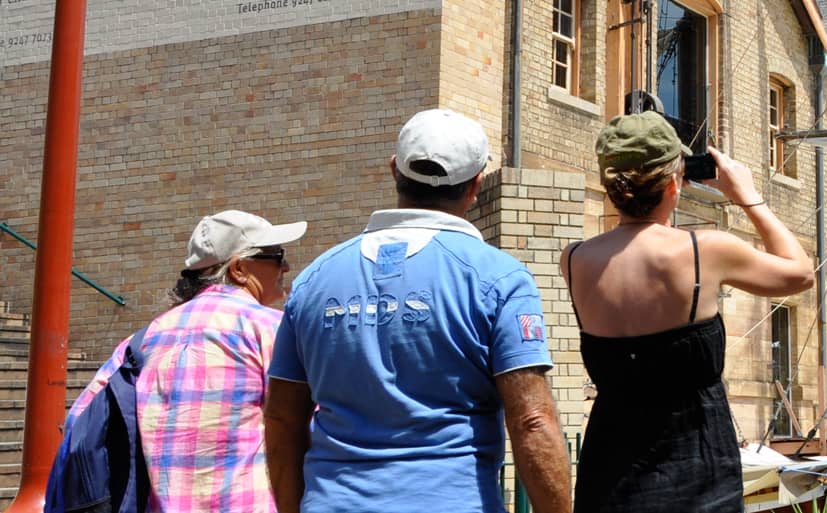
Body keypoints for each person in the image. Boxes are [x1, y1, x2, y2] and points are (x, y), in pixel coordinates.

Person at [264, 109, 571, 513]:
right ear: (476, 184)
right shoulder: (498, 278)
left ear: (395, 170)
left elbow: (283, 418)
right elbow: (532, 421)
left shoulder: (314, 280)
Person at [562, 112, 814, 512]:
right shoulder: (706, 250)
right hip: (699, 472)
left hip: (608, 473)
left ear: (609, 186)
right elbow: (800, 274)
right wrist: (748, 196)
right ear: (674, 183)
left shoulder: (574, 260)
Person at [62, 210, 304, 513]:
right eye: (276, 256)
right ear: (240, 269)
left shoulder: (142, 339)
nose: (286, 266)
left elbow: (78, 422)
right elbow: (313, 421)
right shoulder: (270, 328)